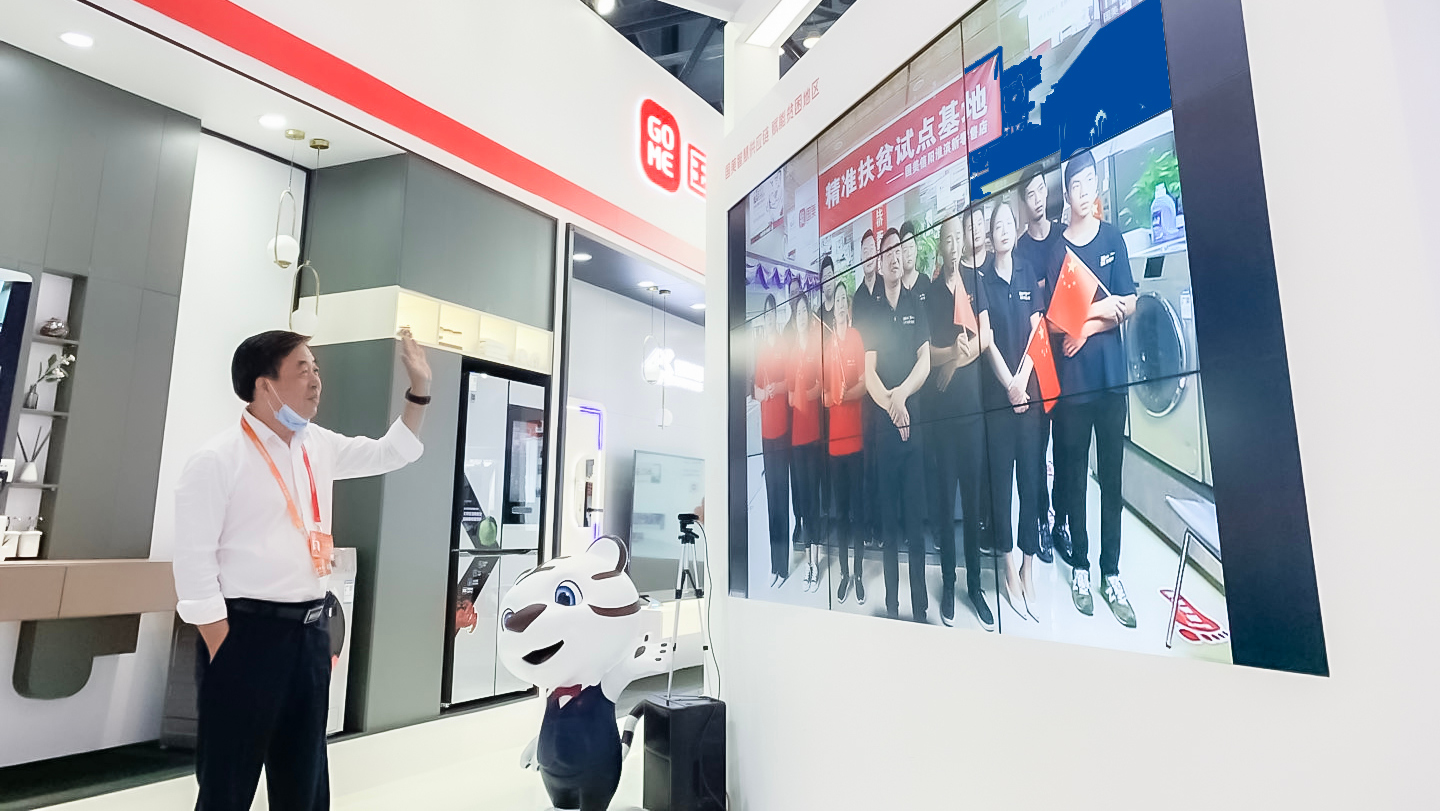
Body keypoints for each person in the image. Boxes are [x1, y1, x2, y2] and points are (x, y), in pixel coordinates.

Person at [173, 328, 431, 811]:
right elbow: (192, 563)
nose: (316, 381)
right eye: (301, 370)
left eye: (316, 369)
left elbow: (389, 453)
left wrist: (419, 390)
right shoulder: (217, 459)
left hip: (310, 633)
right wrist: (223, 647)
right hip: (245, 633)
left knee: (305, 775)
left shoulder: (318, 445)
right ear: (263, 385)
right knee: (228, 778)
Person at [1049, 149, 1138, 627]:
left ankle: (1111, 571)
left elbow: (1130, 302)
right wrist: (1102, 313)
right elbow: (1055, 323)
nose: (1084, 192)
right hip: (1075, 386)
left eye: (1090, 183)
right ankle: (1081, 566)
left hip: (1111, 381)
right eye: (1076, 186)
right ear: (1066, 194)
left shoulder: (1113, 238)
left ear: (1098, 185)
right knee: (1077, 477)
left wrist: (1087, 324)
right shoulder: (1057, 251)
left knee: (1112, 479)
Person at [977, 198, 1046, 622]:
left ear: (1015, 229)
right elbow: (987, 342)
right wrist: (1009, 385)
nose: (1003, 230)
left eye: (1008, 224)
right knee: (1001, 483)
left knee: (1030, 482)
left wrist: (1023, 381)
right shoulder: (983, 278)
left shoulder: (1027, 270)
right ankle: (1006, 563)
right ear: (990, 235)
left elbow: (1038, 331)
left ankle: (1028, 564)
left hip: (1029, 394)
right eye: (996, 225)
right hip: (999, 398)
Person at [926, 214, 993, 629]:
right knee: (944, 504)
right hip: (943, 419)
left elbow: (985, 338)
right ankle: (949, 583)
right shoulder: (932, 294)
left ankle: (975, 588)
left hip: (973, 416)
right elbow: (930, 355)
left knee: (973, 505)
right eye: (947, 240)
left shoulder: (974, 281)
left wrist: (955, 361)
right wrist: (951, 357)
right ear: (940, 246)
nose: (953, 246)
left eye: (957, 239)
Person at [865, 228, 933, 622]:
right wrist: (892, 406)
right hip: (886, 430)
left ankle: (920, 608)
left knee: (914, 526)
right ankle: (891, 606)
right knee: (889, 526)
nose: (893, 257)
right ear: (878, 262)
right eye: (886, 251)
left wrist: (902, 396)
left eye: (897, 251)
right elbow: (869, 373)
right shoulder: (873, 313)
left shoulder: (915, 304)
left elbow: (925, 361)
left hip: (913, 428)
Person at [1015, 168, 1065, 565]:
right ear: (1022, 203)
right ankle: (1042, 522)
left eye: (1040, 191)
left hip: (1070, 356)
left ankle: (1063, 520)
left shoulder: (1064, 237)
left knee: (1067, 445)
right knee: (1036, 450)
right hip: (1038, 364)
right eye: (1029, 194)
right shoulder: (1018, 253)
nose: (1036, 199)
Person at [824, 281, 868, 605]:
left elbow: (864, 384)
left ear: (848, 307)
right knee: (840, 514)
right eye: (837, 300)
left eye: (844, 300)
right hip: (835, 444)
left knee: (857, 512)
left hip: (856, 440)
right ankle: (843, 573)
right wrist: (832, 397)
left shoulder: (855, 339)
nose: (840, 305)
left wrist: (847, 394)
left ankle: (859, 572)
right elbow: (823, 395)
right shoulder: (828, 346)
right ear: (833, 307)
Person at [753, 294, 792, 587]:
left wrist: (775, 388)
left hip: (783, 431)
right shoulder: (760, 349)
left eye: (772, 315)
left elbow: (790, 382)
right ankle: (773, 564)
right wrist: (762, 393)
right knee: (770, 500)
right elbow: (753, 388)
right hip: (765, 433)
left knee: (782, 496)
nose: (769, 320)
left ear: (776, 317)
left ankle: (784, 565)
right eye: (765, 316)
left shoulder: (783, 346)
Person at [788, 291, 824, 591]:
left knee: (814, 500)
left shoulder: (815, 347)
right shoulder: (791, 351)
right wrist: (797, 395)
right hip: (796, 437)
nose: (801, 317)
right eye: (797, 313)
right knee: (803, 495)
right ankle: (809, 559)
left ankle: (814, 562)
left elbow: (821, 387)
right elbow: (789, 395)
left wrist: (807, 394)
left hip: (814, 435)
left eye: (804, 312)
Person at [851, 229, 884, 554]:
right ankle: (870, 524)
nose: (869, 255)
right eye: (864, 251)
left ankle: (885, 525)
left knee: (884, 456)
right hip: (865, 388)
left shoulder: (886, 288)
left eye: (872, 249)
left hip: (887, 381)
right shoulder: (858, 296)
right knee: (867, 459)